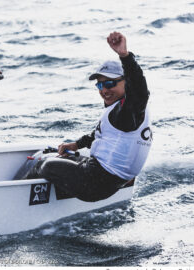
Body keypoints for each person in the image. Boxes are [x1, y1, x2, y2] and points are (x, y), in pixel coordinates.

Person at [27, 31, 152, 202]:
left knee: (44, 164)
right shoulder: (120, 111)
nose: (104, 90)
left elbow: (139, 88)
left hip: (96, 183)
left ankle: (19, 197)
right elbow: (103, 133)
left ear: (126, 83)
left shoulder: (131, 109)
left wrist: (125, 56)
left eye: (109, 83)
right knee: (66, 156)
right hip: (115, 181)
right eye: (100, 85)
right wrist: (77, 144)